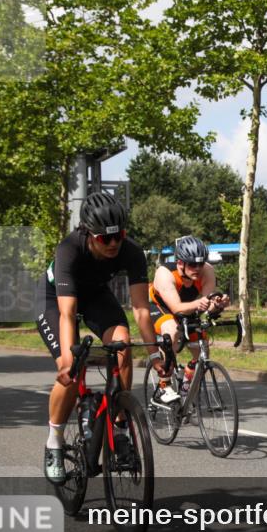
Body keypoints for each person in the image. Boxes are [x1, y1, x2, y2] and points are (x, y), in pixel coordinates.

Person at [36, 193, 164, 483]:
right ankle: (54, 440)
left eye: (118, 236)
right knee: (72, 367)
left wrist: (155, 355)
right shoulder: (68, 249)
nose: (113, 244)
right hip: (54, 301)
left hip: (94, 295)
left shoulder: (131, 252)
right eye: (104, 239)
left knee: (123, 343)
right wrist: (70, 357)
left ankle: (119, 429)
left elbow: (142, 309)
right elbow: (67, 314)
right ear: (88, 234)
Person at [148, 236, 229, 402]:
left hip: (189, 305)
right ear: (180, 263)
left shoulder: (207, 271)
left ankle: (186, 385)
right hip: (161, 307)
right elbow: (176, 308)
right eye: (192, 264)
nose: (197, 268)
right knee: (171, 330)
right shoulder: (164, 274)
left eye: (200, 263)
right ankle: (164, 385)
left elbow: (208, 304)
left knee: (202, 350)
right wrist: (201, 303)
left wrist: (218, 305)